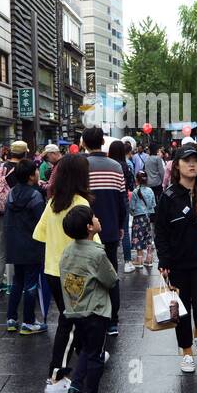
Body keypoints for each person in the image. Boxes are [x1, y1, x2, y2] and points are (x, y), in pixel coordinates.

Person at [153, 144, 197, 374]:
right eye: (186, 160)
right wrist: (163, 261)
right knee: (181, 309)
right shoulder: (169, 196)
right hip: (177, 263)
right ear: (177, 166)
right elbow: (161, 232)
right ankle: (186, 350)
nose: (192, 164)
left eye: (195, 159)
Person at [35, 153, 97, 393]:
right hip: (75, 273)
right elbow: (92, 241)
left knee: (71, 318)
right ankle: (56, 376)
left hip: (52, 269)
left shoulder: (53, 203)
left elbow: (39, 235)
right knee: (69, 322)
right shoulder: (81, 203)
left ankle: (88, 353)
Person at [58, 205, 118, 393]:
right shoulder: (96, 254)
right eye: (94, 217)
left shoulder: (67, 252)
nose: (98, 218)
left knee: (86, 350)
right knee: (96, 355)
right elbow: (111, 280)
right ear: (89, 227)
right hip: (96, 311)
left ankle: (75, 387)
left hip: (76, 311)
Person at [83, 127, 128, 336]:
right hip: (109, 229)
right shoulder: (116, 167)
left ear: (84, 142)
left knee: (86, 273)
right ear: (103, 142)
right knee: (111, 274)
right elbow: (122, 201)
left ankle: (91, 316)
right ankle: (112, 320)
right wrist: (120, 226)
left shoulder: (81, 166)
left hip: (85, 230)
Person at [5, 159, 47, 334]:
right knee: (30, 284)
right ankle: (29, 322)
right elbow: (41, 222)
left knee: (17, 281)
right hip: (31, 246)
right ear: (31, 176)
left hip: (14, 245)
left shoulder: (11, 194)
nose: (38, 173)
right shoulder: (35, 195)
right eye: (36, 171)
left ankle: (11, 319)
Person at [0, 140, 26, 295]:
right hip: (14, 213)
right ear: (24, 153)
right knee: (13, 248)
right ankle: (11, 284)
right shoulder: (22, 169)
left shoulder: (0, 167)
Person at [110, 139, 136, 272]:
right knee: (125, 231)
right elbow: (131, 185)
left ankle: (109, 261)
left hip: (109, 199)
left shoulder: (108, 165)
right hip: (123, 198)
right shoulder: (126, 165)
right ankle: (127, 262)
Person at [129, 171, 157, 271]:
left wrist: (132, 213)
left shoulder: (135, 192)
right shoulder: (150, 190)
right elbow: (154, 204)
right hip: (148, 217)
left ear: (137, 180)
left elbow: (131, 207)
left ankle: (139, 260)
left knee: (138, 237)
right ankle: (149, 259)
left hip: (138, 218)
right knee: (148, 236)